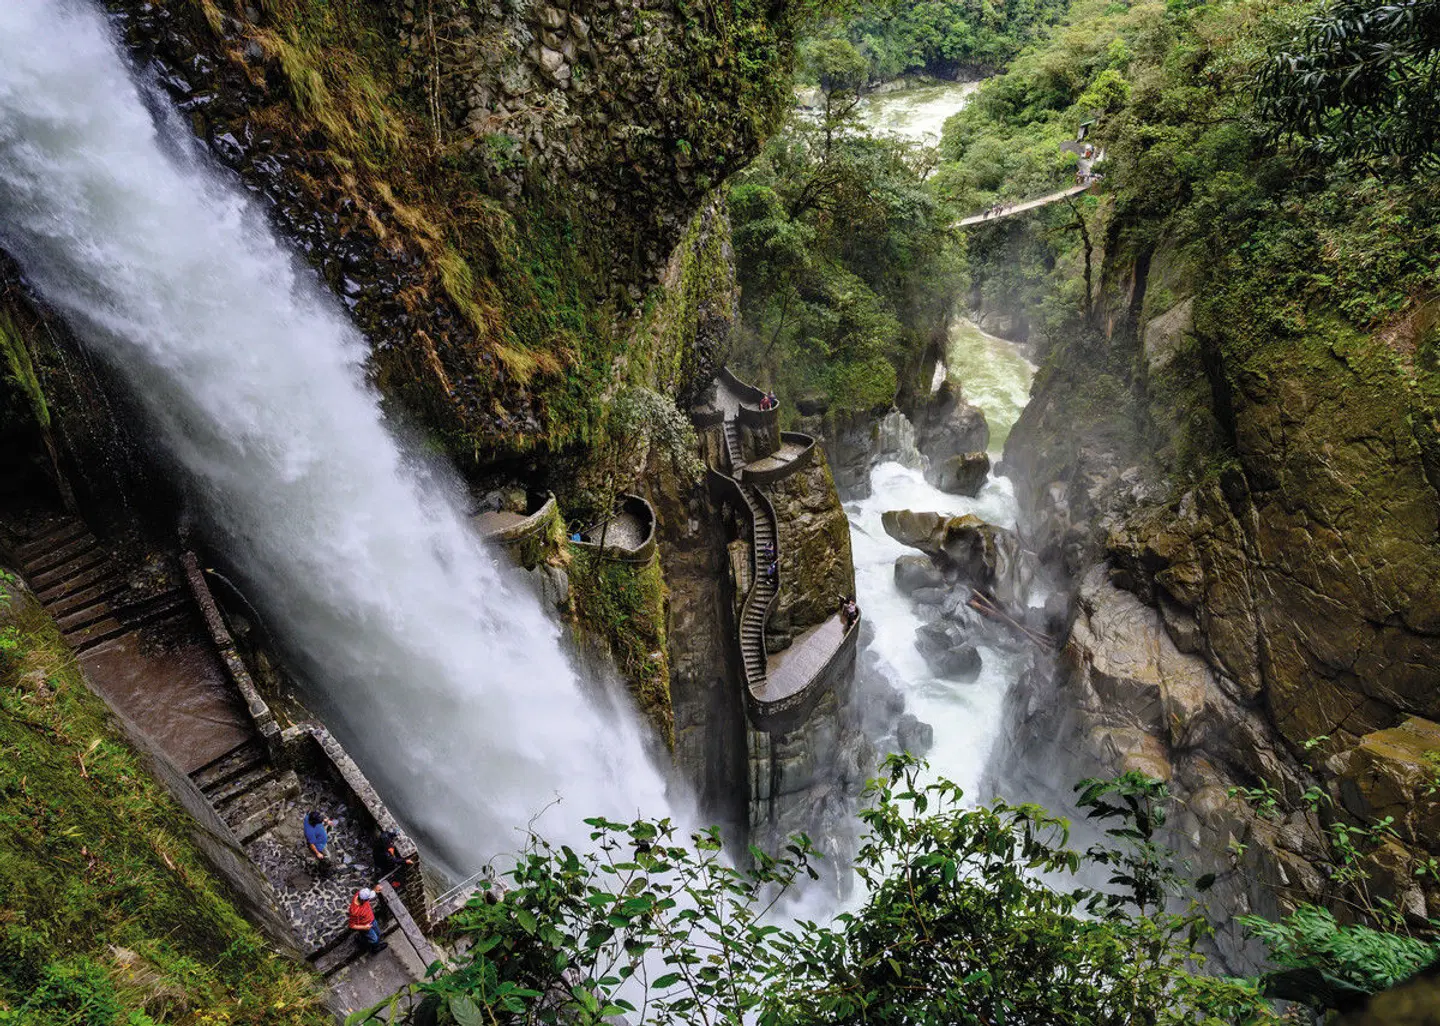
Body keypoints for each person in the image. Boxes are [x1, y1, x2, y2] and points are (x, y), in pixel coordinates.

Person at [348, 887, 387, 955]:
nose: (369, 900)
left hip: (372, 920)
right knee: (374, 939)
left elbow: (368, 894)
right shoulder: (354, 911)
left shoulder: (359, 894)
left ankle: (361, 938)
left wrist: (375, 890)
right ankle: (375, 949)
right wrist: (364, 927)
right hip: (366, 926)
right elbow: (351, 925)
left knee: (377, 933)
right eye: (368, 899)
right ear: (363, 900)